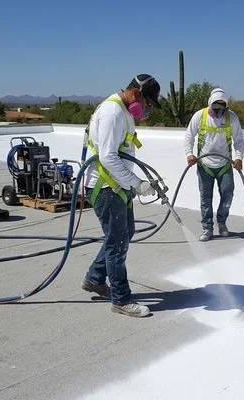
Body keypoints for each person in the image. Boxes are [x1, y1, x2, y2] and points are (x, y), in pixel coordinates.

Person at [80, 74, 161, 318]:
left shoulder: (124, 112)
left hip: (116, 185)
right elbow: (107, 157)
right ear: (136, 94)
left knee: (125, 233)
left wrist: (132, 183)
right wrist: (137, 184)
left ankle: (95, 278)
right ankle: (121, 300)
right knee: (117, 243)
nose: (146, 109)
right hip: (105, 187)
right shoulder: (112, 113)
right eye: (147, 103)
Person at [184, 87, 244, 241]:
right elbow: (189, 136)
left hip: (225, 164)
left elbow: (238, 140)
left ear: (226, 106)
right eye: (216, 106)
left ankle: (222, 222)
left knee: (228, 193)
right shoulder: (200, 116)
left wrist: (239, 157)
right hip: (205, 165)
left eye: (221, 106)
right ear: (211, 105)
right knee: (206, 198)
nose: (219, 110)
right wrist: (189, 154)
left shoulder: (232, 118)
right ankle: (207, 228)